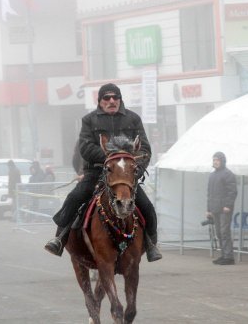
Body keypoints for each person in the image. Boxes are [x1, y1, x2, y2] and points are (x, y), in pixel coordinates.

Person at [44, 83, 162, 262]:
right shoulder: (88, 120)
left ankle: (151, 244)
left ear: (120, 100)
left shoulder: (134, 119)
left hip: (126, 176)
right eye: (107, 98)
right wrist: (111, 159)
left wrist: (133, 172)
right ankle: (60, 238)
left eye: (115, 97)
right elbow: (85, 147)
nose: (112, 101)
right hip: (96, 173)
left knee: (147, 207)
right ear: (100, 101)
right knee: (75, 198)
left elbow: (144, 149)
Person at [206, 151, 238, 265]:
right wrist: (208, 209)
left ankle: (229, 257)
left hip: (224, 209)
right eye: (214, 160)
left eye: (217, 160)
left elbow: (232, 191)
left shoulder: (228, 174)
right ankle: (224, 255)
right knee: (219, 233)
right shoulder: (212, 175)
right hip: (215, 209)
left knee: (224, 232)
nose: (215, 162)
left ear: (222, 161)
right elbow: (210, 194)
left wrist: (228, 205)